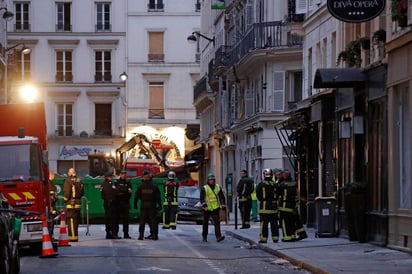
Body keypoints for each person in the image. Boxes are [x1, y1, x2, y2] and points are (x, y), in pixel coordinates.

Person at [277, 170, 308, 242]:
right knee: (293, 221)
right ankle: (295, 235)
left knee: (285, 222)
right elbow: (297, 193)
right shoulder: (294, 183)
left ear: (284, 176)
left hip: (284, 206)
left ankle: (287, 237)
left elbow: (277, 194)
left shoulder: (281, 184)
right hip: (293, 205)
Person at [134, 170, 161, 240]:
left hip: (143, 204)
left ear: (144, 177)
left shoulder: (141, 186)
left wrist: (135, 204)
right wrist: (159, 205)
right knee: (153, 220)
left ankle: (141, 235)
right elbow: (158, 197)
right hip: (152, 205)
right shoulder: (154, 185)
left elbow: (136, 196)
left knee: (142, 220)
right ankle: (154, 235)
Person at [200, 173, 226, 243]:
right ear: (208, 181)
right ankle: (204, 236)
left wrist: (223, 204)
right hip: (207, 209)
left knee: (217, 222)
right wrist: (204, 206)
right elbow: (202, 198)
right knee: (205, 223)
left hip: (215, 207)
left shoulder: (218, 187)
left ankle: (218, 236)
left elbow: (221, 196)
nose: (212, 181)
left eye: (213, 180)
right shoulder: (205, 188)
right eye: (210, 180)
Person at [256, 168, 279, 243]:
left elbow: (258, 195)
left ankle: (263, 239)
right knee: (274, 224)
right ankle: (275, 238)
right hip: (274, 207)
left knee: (264, 224)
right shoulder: (275, 184)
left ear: (264, 175)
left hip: (264, 207)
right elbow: (278, 194)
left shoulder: (261, 184)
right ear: (272, 175)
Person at [63, 168, 84, 242]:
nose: (68, 173)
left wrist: (65, 200)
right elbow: (82, 193)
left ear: (71, 173)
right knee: (76, 221)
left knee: (71, 221)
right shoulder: (80, 181)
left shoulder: (68, 181)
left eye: (68, 172)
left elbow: (67, 193)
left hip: (71, 204)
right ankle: (76, 236)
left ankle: (72, 238)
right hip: (78, 204)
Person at [100, 172, 121, 239]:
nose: (111, 178)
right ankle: (113, 234)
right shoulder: (110, 184)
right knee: (113, 219)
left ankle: (108, 233)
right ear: (108, 177)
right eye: (111, 177)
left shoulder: (102, 184)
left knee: (107, 219)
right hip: (112, 204)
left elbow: (102, 195)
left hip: (106, 203)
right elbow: (115, 192)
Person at [115, 170, 132, 239]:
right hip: (118, 203)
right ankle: (116, 233)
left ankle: (126, 234)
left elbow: (130, 192)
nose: (124, 175)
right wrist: (125, 190)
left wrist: (121, 190)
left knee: (126, 220)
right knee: (116, 219)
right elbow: (116, 191)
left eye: (125, 174)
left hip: (126, 202)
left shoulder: (128, 182)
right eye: (122, 174)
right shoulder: (117, 182)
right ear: (120, 175)